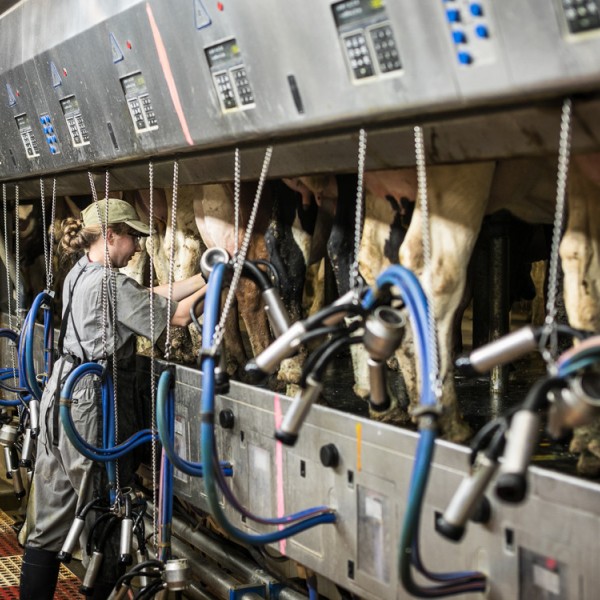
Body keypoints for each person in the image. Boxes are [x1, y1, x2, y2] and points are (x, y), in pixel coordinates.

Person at [19, 197, 206, 599]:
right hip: (90, 404)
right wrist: (220, 282)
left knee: (50, 520)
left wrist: (202, 277)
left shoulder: (81, 272)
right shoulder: (112, 284)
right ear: (110, 236)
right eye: (132, 238)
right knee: (101, 510)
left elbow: (148, 294)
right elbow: (175, 315)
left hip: (60, 396)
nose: (138, 247)